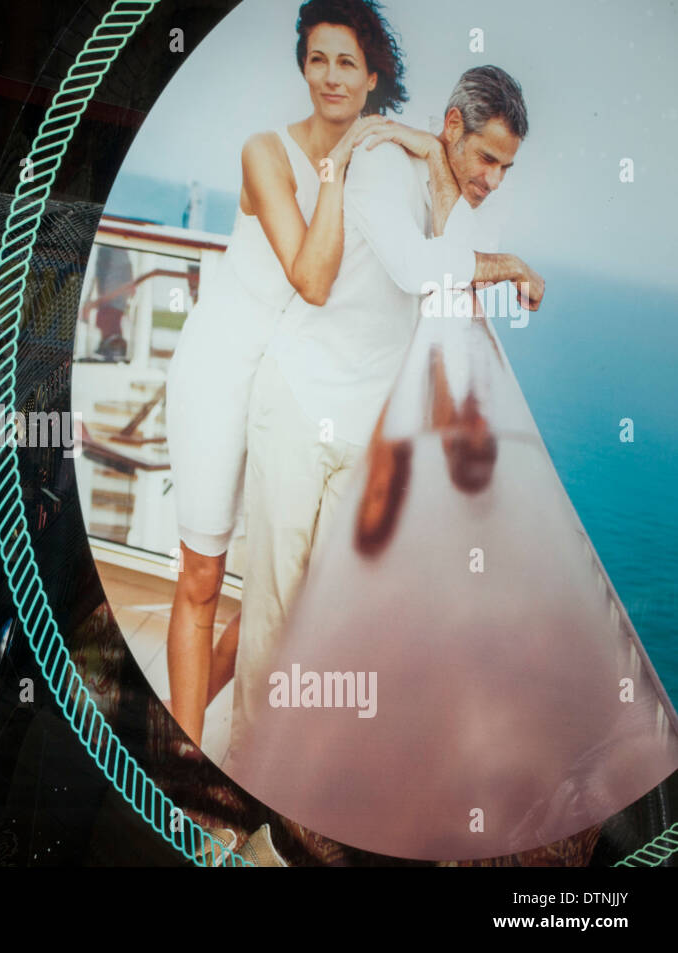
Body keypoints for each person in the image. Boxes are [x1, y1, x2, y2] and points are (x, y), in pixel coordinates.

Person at [228, 65, 545, 737]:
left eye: (506, 167)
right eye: (488, 158)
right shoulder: (378, 163)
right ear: (453, 127)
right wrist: (510, 264)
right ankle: (240, 787)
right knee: (276, 610)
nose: (493, 177)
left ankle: (287, 776)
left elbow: (441, 281)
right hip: (298, 401)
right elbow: (416, 269)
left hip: (361, 422)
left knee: (327, 614)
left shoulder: (445, 187)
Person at [163, 0, 406, 748]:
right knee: (203, 576)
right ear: (303, 66)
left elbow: (447, 170)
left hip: (287, 388)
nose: (329, 76)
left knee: (284, 583)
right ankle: (182, 766)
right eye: (317, 59)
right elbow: (313, 278)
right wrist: (339, 168)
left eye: (346, 62)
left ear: (372, 78)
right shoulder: (265, 152)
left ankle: (205, 742)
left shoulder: (378, 158)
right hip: (220, 369)